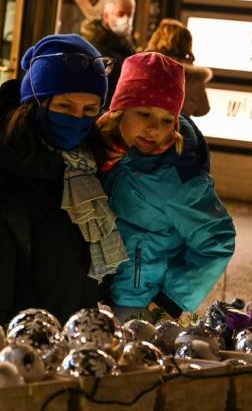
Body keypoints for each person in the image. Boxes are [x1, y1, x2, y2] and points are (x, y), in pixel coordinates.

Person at [0, 34, 126, 326]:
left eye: (89, 110)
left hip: (74, 351)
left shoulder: (87, 176)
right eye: (64, 106)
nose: (77, 119)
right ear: (32, 105)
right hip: (21, 360)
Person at [96, 52, 235, 321]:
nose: (154, 129)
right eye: (144, 113)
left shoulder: (176, 177)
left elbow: (218, 241)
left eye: (167, 120)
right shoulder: (100, 152)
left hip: (139, 301)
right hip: (94, 288)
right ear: (119, 110)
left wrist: (170, 301)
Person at [145, 18, 213, 117]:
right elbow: (203, 110)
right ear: (187, 44)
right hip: (177, 129)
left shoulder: (143, 66)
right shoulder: (195, 76)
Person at [80, 0, 136, 94]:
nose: (126, 20)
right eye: (120, 14)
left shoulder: (128, 46)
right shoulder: (92, 46)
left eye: (130, 15)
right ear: (106, 16)